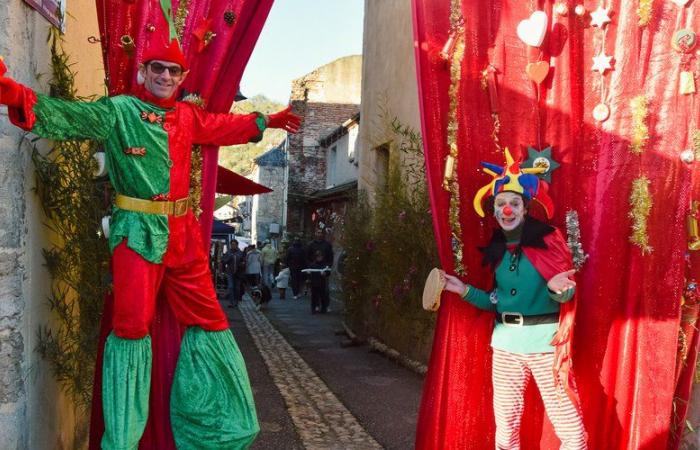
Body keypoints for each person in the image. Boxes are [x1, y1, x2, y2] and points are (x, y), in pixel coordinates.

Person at [0, 37, 301, 449]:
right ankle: (122, 441)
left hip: (183, 239)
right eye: (157, 68)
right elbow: (68, 116)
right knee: (131, 330)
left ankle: (214, 428)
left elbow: (224, 126)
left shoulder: (187, 116)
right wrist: (15, 94)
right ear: (143, 73)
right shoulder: (119, 111)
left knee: (211, 321)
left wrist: (268, 121)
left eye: (172, 71)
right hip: (136, 236)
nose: (164, 76)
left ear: (181, 79)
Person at [441, 149, 587, 449]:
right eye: (501, 204)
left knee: (571, 429)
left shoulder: (548, 239)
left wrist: (561, 288)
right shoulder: (497, 247)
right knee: (506, 429)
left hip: (545, 347)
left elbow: (567, 293)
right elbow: (497, 302)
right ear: (494, 210)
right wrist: (462, 290)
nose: (507, 209)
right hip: (505, 346)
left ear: (525, 207)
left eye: (513, 203)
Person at [306, 229, 333, 309]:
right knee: (315, 289)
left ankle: (325, 305)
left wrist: (327, 267)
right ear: (315, 233)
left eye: (321, 232)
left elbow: (330, 257)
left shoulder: (327, 244)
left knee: (325, 289)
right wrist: (310, 267)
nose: (319, 234)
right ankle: (316, 305)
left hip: (324, 269)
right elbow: (307, 257)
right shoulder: (310, 245)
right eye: (318, 232)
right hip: (314, 270)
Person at [222, 240, 245, 308]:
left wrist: (242, 264)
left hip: (238, 273)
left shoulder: (240, 253)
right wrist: (229, 258)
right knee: (230, 287)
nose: (233, 246)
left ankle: (236, 302)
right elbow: (224, 261)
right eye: (232, 244)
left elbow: (244, 261)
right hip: (230, 272)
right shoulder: (228, 252)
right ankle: (231, 303)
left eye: (234, 244)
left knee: (237, 288)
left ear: (237, 245)